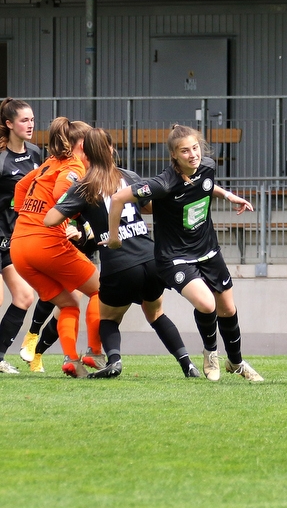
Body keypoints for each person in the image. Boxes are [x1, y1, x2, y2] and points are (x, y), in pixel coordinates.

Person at [107, 124, 264, 383]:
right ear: (174, 155)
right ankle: (210, 352)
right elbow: (118, 199)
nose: (193, 154)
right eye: (185, 151)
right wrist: (114, 237)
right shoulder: (163, 183)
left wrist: (227, 195)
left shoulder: (208, 166)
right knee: (206, 303)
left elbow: (205, 185)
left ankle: (235, 362)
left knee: (227, 309)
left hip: (208, 250)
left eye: (195, 148)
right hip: (175, 257)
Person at [45, 128, 201, 379]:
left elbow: (50, 220)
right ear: (111, 149)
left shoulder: (83, 187)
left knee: (108, 319)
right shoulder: (128, 176)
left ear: (84, 154)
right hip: (151, 258)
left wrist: (73, 207)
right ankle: (187, 364)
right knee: (156, 314)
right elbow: (150, 206)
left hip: (119, 263)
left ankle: (114, 361)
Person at [11, 116, 102, 378]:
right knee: (100, 290)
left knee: (69, 303)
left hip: (20, 245)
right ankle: (94, 351)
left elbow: (20, 187)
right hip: (45, 242)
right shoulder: (74, 166)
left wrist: (28, 216)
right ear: (83, 144)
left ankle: (72, 360)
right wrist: (69, 216)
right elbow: (61, 195)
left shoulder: (48, 163)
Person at [0, 99, 45, 374]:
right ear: (9, 124)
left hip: (12, 239)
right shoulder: (1, 160)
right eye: (24, 120)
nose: (30, 125)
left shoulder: (36, 154)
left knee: (24, 296)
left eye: (32, 120)